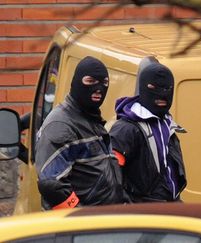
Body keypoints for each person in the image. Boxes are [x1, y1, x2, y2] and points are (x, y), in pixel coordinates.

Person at [35, 56, 125, 210]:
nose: (98, 88)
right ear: (76, 82)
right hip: (77, 229)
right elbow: (52, 184)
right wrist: (80, 218)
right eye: (90, 81)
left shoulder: (91, 119)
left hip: (103, 222)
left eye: (104, 83)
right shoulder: (61, 124)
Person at [109, 61, 187, 203]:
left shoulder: (167, 123)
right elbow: (110, 179)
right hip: (142, 214)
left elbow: (168, 174)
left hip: (168, 208)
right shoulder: (125, 129)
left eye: (167, 88)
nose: (162, 94)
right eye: (154, 88)